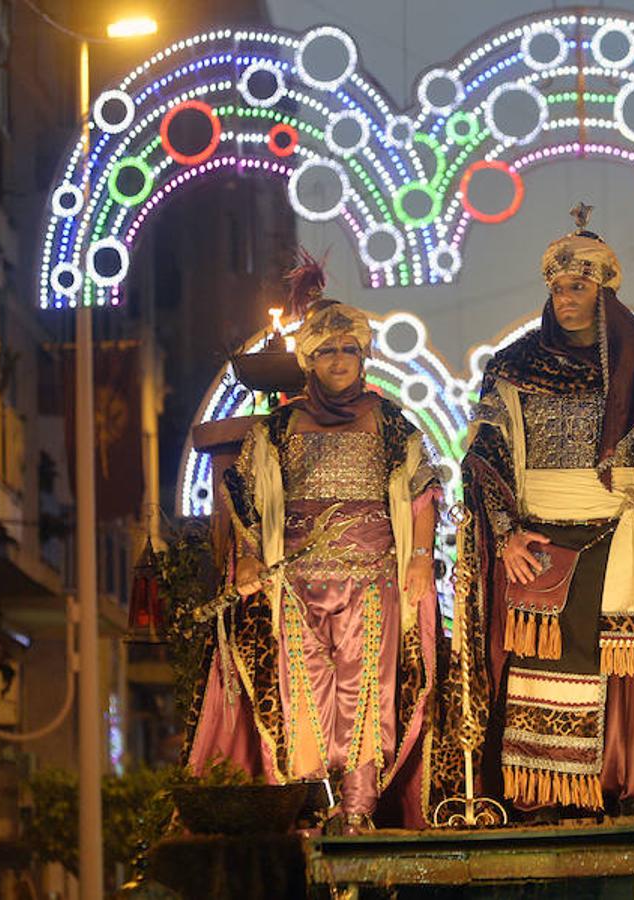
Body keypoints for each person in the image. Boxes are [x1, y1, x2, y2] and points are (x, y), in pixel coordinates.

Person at [430, 204, 634, 817]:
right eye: (557, 287)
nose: (566, 298)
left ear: (603, 291)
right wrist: (507, 532)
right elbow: (483, 456)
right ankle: (541, 798)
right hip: (539, 542)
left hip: (619, 538)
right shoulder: (514, 366)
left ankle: (621, 785)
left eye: (577, 286)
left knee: (623, 663)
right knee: (536, 661)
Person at [185, 257, 441, 833]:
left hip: (372, 578)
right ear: (308, 362)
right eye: (327, 352)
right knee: (303, 692)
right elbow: (244, 495)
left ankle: (358, 811)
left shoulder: (390, 420)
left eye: (350, 351)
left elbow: (424, 491)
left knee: (364, 693)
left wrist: (421, 560)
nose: (340, 361)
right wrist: (250, 553)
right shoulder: (278, 427)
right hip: (295, 583)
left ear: (363, 357)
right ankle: (309, 807)